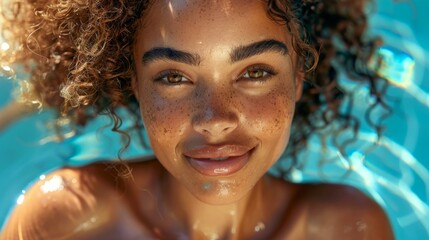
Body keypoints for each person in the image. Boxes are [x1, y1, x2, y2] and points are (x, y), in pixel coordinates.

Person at [0, 0, 394, 239]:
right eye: (173, 77)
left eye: (254, 72)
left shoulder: (350, 229)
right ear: (135, 85)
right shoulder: (63, 221)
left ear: (298, 79)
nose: (215, 119)